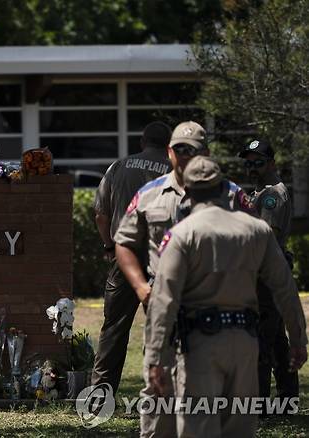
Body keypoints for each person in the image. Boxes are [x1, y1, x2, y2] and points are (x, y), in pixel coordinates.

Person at [145, 156, 307, 437]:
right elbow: (285, 288)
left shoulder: (182, 235)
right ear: (223, 189)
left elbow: (164, 301)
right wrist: (298, 339)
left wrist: (157, 357)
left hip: (199, 345)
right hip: (245, 345)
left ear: (189, 193)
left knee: (199, 426)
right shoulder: (257, 231)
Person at [114, 121, 253, 438]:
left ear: (206, 153)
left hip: (217, 313)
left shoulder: (231, 195)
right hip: (163, 310)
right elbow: (123, 242)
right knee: (159, 390)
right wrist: (140, 286)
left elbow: (257, 242)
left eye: (192, 150)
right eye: (179, 149)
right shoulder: (149, 195)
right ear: (169, 151)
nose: (185, 156)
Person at [91, 121, 172, 395]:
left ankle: (100, 394)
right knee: (160, 327)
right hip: (164, 258)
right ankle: (158, 391)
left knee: (114, 327)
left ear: (142, 142)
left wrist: (110, 246)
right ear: (169, 144)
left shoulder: (118, 167)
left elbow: (101, 214)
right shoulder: (176, 170)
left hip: (124, 258)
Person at [238, 139, 298, 402]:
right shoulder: (259, 191)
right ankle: (287, 398)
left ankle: (258, 402)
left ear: (271, 163)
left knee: (260, 339)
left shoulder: (272, 194)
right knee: (275, 341)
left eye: (258, 162)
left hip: (266, 275)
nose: (252, 166)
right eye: (248, 162)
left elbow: (266, 237)